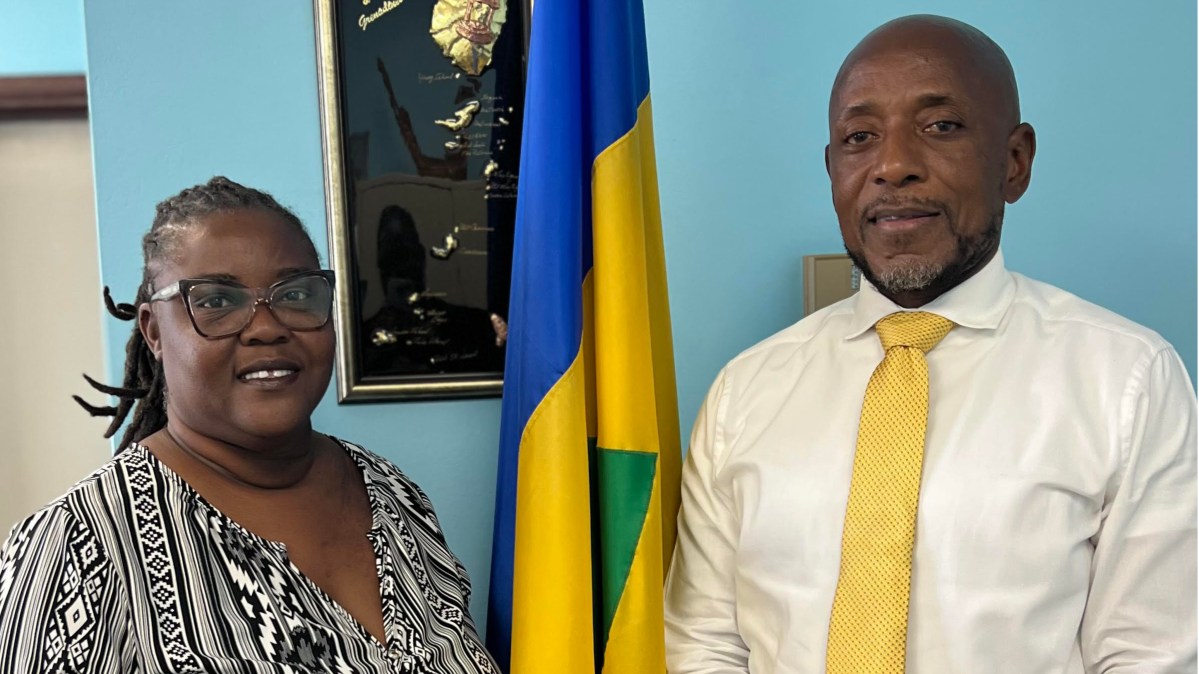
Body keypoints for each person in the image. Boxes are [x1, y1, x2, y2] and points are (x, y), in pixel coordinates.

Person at [664, 15, 1196, 674]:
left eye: (940, 126)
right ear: (832, 171)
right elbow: (704, 643)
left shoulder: (1127, 381)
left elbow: (1152, 656)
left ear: (1014, 162)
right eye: (859, 138)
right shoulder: (745, 392)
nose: (892, 166)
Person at [0, 177, 500, 672]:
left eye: (296, 293)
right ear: (154, 331)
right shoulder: (78, 543)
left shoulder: (394, 493)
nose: (267, 327)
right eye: (216, 301)